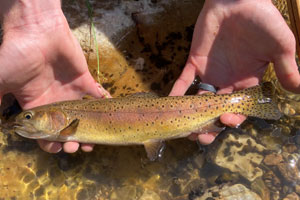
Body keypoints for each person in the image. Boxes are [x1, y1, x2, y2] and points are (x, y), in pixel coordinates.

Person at [0, 0, 299, 153]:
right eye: (29, 117)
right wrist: (33, 22)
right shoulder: (65, 122)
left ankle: (249, 101)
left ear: (57, 118)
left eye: (29, 118)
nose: (24, 119)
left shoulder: (67, 124)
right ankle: (247, 101)